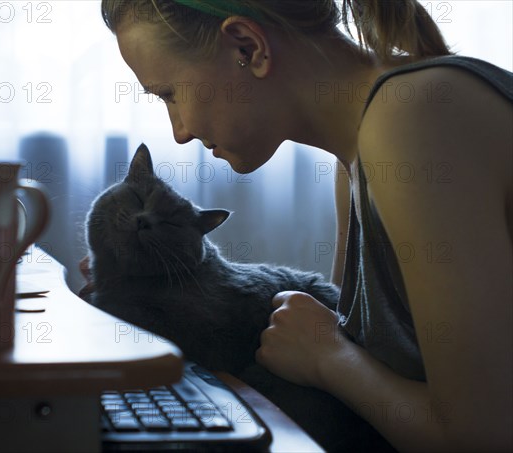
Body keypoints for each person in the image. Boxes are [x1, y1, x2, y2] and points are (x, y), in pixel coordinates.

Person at [98, 1, 512, 450]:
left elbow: (482, 437)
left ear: (249, 47)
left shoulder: (410, 122)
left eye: (168, 94)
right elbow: (357, 355)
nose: (179, 131)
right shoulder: (356, 156)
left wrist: (330, 360)